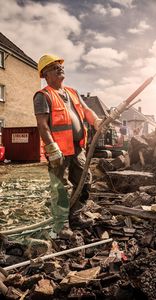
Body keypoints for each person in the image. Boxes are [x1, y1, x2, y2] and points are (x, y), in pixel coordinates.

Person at [33, 54, 102, 239]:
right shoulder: (43, 96)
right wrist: (52, 148)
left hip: (77, 148)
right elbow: (42, 124)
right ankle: (61, 224)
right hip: (59, 151)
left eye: (60, 66)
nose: (60, 68)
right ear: (45, 75)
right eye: (54, 67)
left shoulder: (72, 92)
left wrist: (96, 121)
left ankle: (75, 215)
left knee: (84, 181)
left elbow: (86, 110)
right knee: (60, 188)